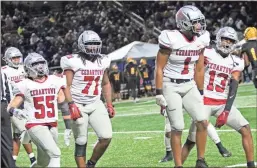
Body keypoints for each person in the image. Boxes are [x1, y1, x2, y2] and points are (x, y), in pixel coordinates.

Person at [182, 27, 255, 168]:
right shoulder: (207, 53)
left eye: (231, 40)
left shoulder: (236, 61)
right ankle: (199, 161)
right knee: (192, 139)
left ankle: (251, 165)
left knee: (245, 129)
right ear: (218, 39)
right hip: (204, 100)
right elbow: (195, 71)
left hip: (222, 103)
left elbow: (234, 86)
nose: (227, 43)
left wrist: (227, 111)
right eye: (225, 39)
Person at [155, 5, 209, 167]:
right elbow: (159, 68)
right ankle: (178, 165)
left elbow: (199, 68)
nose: (199, 26)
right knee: (177, 127)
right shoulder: (170, 38)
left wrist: (200, 91)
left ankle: (200, 160)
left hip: (189, 84)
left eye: (200, 22)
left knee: (202, 121)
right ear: (184, 23)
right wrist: (159, 93)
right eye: (195, 23)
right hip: (171, 85)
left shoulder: (201, 39)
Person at [60, 30, 115, 168]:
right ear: (82, 45)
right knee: (81, 140)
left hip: (95, 102)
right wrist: (71, 104)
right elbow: (66, 85)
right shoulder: (72, 61)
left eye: (96, 44)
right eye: (90, 44)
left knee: (106, 136)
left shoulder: (103, 60)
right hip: (78, 103)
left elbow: (106, 83)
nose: (93, 47)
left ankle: (91, 164)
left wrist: (109, 104)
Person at [7, 52, 64, 167]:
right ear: (28, 67)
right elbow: (11, 106)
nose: (40, 67)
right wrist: (15, 111)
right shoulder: (25, 84)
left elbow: (61, 98)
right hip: (35, 124)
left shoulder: (54, 80)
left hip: (52, 123)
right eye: (35, 64)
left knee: (44, 162)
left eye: (41, 63)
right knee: (55, 154)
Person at [2, 47, 36, 166]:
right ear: (7, 59)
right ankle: (33, 159)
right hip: (11, 106)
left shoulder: (24, 68)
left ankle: (13, 161)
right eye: (13, 58)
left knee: (17, 135)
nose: (16, 60)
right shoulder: (4, 71)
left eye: (18, 57)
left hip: (24, 105)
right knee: (24, 131)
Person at [1, 69, 16, 168]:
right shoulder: (3, 73)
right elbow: (9, 92)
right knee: (6, 142)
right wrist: (10, 108)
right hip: (2, 106)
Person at [53, 69, 72, 146]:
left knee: (68, 121)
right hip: (53, 100)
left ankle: (67, 137)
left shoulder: (65, 77)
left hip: (63, 100)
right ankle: (53, 139)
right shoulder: (52, 79)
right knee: (53, 122)